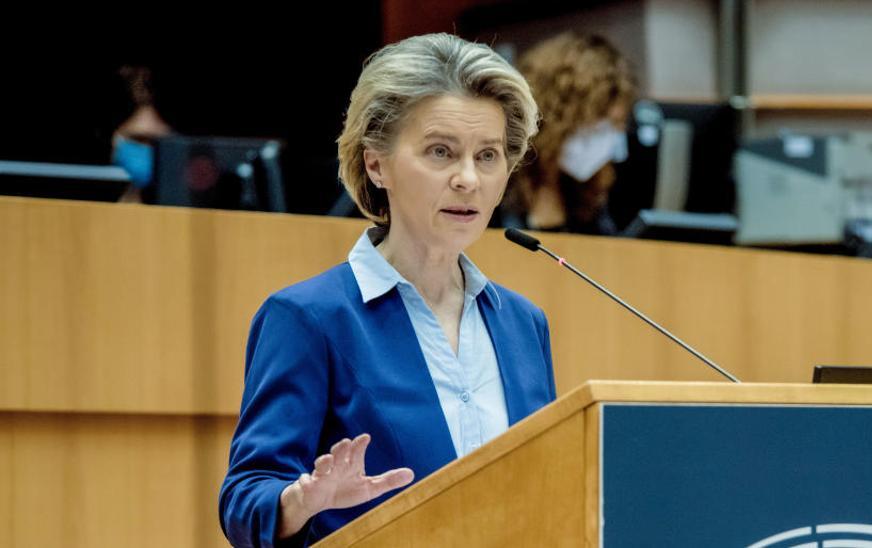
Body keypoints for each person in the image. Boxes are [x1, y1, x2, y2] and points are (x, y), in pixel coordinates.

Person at [218, 33, 554, 547]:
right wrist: (300, 501)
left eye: (487, 156)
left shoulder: (522, 322)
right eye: (441, 152)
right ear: (377, 164)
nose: (469, 179)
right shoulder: (309, 317)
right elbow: (245, 498)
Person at [495, 32, 636, 235]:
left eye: (614, 124)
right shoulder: (497, 182)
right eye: (596, 124)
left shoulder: (591, 193)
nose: (606, 137)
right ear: (556, 116)